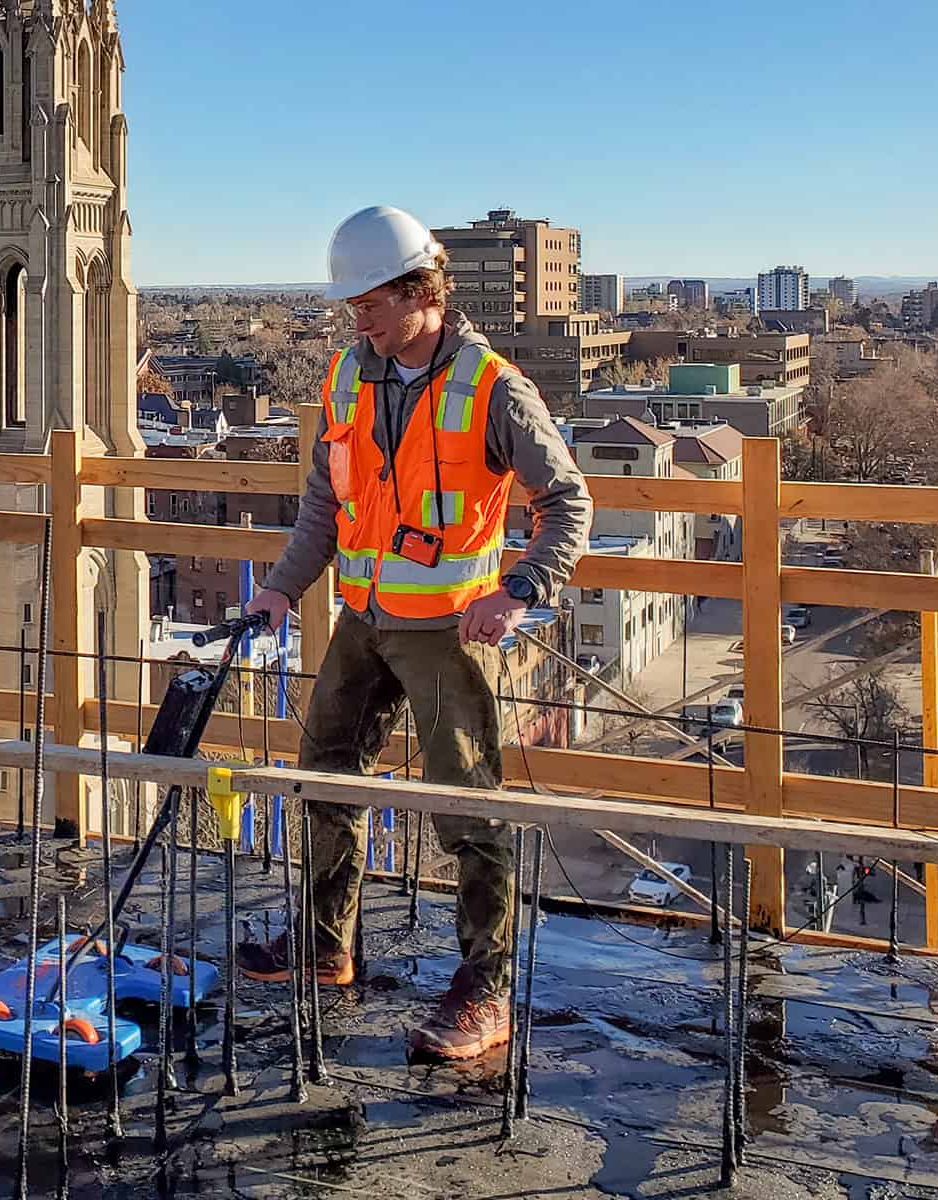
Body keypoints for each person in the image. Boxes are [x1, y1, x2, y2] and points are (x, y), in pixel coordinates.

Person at [234, 206, 592, 1061]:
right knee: (324, 776)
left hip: (447, 628)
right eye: (350, 307)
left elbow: (568, 503)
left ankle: (485, 987)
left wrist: (518, 590)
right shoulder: (347, 380)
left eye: (371, 305)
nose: (357, 321)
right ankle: (325, 946)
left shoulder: (492, 387)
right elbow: (327, 504)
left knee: (464, 808)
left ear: (422, 293)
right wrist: (282, 589)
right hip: (364, 619)